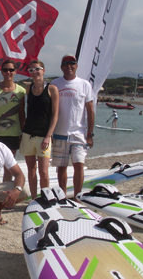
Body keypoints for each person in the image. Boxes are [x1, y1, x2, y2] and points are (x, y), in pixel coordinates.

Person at [50, 54, 94, 198]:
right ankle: (62, 196)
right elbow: (48, 109)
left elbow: (90, 110)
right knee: (61, 168)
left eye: (72, 63)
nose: (69, 66)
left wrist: (90, 134)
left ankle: (77, 196)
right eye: (66, 63)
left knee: (79, 165)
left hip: (78, 134)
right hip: (59, 133)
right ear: (61, 67)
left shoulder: (84, 84)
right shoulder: (55, 84)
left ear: (76, 66)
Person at [19, 60, 59, 200]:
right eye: (31, 70)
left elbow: (55, 114)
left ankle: (45, 198)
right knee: (31, 170)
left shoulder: (52, 89)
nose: (34, 72)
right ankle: (34, 199)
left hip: (44, 136)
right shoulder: (28, 89)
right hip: (28, 134)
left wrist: (49, 135)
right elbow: (28, 111)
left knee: (43, 171)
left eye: (37, 69)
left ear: (43, 70)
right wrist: (22, 129)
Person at [0, 60, 26, 182]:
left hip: (13, 134)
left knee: (9, 166)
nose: (8, 72)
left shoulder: (21, 91)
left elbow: (22, 114)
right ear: (1, 71)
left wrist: (23, 133)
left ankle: (5, 192)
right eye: (5, 70)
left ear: (15, 71)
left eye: (11, 70)